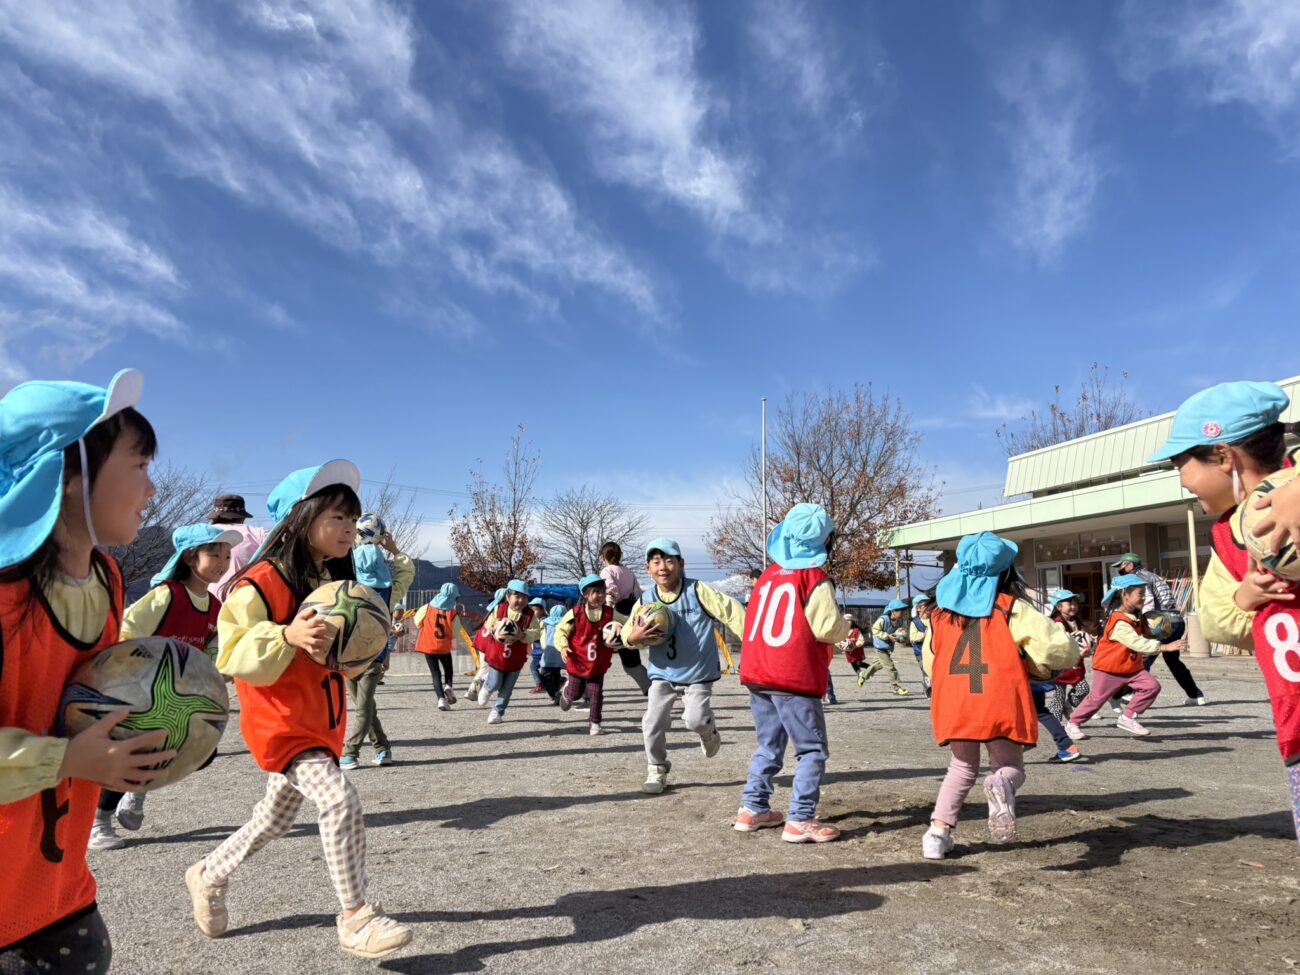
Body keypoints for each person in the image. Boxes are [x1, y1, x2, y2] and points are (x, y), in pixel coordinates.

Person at [185, 460, 412, 959]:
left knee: (272, 820)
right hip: (283, 723)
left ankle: (208, 873)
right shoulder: (259, 582)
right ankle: (356, 917)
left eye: (352, 519)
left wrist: (355, 656)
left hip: (319, 720)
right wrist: (285, 634)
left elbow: (335, 658)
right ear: (300, 520)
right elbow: (230, 650)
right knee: (339, 800)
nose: (349, 529)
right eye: (337, 518)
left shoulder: (334, 581)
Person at [0, 369, 174, 972]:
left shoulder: (107, 578)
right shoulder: (2, 599)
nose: (152, 489)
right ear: (69, 475)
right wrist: (66, 761)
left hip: (58, 882)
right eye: (140, 466)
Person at [1147, 381, 1300, 845]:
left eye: (1181, 465)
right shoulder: (1227, 534)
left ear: (1222, 456)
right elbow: (1216, 622)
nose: (1181, 481)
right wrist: (1247, 598)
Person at [920, 532, 1076, 860]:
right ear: (1006, 572)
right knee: (1009, 766)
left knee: (961, 766)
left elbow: (930, 660)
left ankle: (937, 834)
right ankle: (1001, 785)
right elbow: (1056, 650)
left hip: (955, 701)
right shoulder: (1011, 608)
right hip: (999, 697)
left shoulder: (939, 615)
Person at [92, 523, 241, 849]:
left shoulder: (215, 607)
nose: (222, 562)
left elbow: (213, 650)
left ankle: (137, 789)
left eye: (227, 556)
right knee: (135, 752)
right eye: (214, 554)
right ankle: (99, 823)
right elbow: (127, 629)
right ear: (190, 557)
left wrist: (219, 670)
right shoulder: (167, 595)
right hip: (140, 691)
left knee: (203, 752)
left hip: (178, 696)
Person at [735, 504, 853, 843]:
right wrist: (848, 627)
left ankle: (753, 807)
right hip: (793, 675)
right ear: (826, 541)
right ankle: (800, 818)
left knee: (768, 744)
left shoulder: (767, 576)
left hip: (758, 670)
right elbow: (828, 626)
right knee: (811, 749)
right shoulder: (814, 578)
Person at [619, 538, 746, 795]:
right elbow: (628, 634)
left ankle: (708, 731)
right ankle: (657, 768)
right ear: (648, 568)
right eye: (656, 562)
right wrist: (632, 638)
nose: (663, 567)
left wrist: (754, 643)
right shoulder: (646, 599)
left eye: (669, 560)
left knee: (694, 720)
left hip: (698, 673)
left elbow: (732, 611)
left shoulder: (698, 591)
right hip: (662, 674)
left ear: (680, 563)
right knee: (652, 721)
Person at [341, 518, 414, 770]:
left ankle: (350, 752)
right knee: (367, 706)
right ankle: (383, 748)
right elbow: (407, 573)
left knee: (362, 708)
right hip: (369, 655)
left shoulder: (347, 587)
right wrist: (394, 550)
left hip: (352, 655)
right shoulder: (389, 591)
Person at [1064, 575, 1171, 739]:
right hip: (1109, 669)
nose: (1143, 597)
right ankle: (1072, 724)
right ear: (1125, 595)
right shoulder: (1119, 621)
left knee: (1152, 687)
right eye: (1140, 594)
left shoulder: (1136, 615)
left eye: (1144, 594)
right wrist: (1164, 647)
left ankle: (1127, 717)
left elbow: (1144, 635)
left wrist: (1158, 631)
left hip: (1131, 668)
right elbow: (1137, 643)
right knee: (1096, 700)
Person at [1107, 552, 1206, 706]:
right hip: (1177, 621)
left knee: (1143, 657)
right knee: (1173, 661)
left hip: (1159, 622)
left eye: (1122, 565)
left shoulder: (1139, 579)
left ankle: (1131, 692)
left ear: (1130, 565)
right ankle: (1195, 695)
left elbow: (1148, 602)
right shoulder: (1154, 576)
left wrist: (1139, 622)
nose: (1120, 568)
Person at [554, 575, 624, 735]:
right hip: (578, 662)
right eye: (595, 592)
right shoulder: (575, 613)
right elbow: (561, 631)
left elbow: (625, 622)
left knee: (596, 694)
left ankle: (595, 724)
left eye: (602, 591)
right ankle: (567, 693)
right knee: (576, 693)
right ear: (585, 594)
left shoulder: (610, 613)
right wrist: (563, 646)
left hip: (598, 664)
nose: (600, 595)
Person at [476, 580, 542, 724]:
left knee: (507, 688)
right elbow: (488, 623)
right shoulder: (499, 609)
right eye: (517, 596)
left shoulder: (529, 615)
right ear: (508, 596)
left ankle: (497, 711)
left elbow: (536, 632)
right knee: (495, 682)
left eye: (524, 598)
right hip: (497, 656)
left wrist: (523, 636)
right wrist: (494, 628)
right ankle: (487, 687)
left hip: (516, 658)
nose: (521, 600)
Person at [599, 541, 651, 694]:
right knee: (631, 661)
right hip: (630, 617)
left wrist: (607, 613)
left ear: (604, 556)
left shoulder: (607, 571)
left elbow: (610, 591)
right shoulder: (628, 572)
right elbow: (638, 594)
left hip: (614, 618)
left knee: (595, 659)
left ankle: (587, 695)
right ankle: (650, 688)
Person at [411, 583, 470, 710]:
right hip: (443, 647)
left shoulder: (427, 608)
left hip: (428, 646)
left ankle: (441, 699)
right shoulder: (452, 613)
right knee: (448, 669)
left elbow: (417, 622)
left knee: (435, 673)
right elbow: (455, 632)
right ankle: (448, 685)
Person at [208, 493, 268, 600]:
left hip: (205, 603)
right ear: (242, 517)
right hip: (245, 600)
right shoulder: (258, 534)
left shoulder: (202, 533)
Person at [858, 598, 910, 695]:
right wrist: (887, 636)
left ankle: (863, 675)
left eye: (903, 610)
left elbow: (896, 632)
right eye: (900, 610)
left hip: (888, 647)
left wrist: (899, 635)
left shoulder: (899, 621)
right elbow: (875, 630)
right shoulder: (883, 619)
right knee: (889, 666)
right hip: (880, 647)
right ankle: (895, 686)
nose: (902, 612)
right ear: (893, 612)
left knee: (877, 665)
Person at [537, 604, 568, 702]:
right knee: (555, 674)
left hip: (549, 654)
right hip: (561, 653)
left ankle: (555, 694)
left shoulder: (546, 624)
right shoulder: (566, 624)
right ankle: (557, 691)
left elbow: (540, 636)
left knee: (544, 676)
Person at [910, 594, 934, 697]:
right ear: (918, 608)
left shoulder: (933, 620)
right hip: (920, 651)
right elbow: (913, 637)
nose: (928, 608)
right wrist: (925, 634)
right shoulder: (915, 623)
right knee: (925, 670)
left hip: (932, 650)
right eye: (925, 605)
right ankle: (928, 689)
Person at [528, 596, 548, 693]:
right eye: (531, 609)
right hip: (537, 651)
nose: (533, 612)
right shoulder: (535, 621)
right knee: (544, 669)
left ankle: (540, 685)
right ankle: (557, 680)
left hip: (542, 651)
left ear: (542, 609)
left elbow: (538, 635)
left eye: (535, 609)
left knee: (533, 667)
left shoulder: (544, 621)